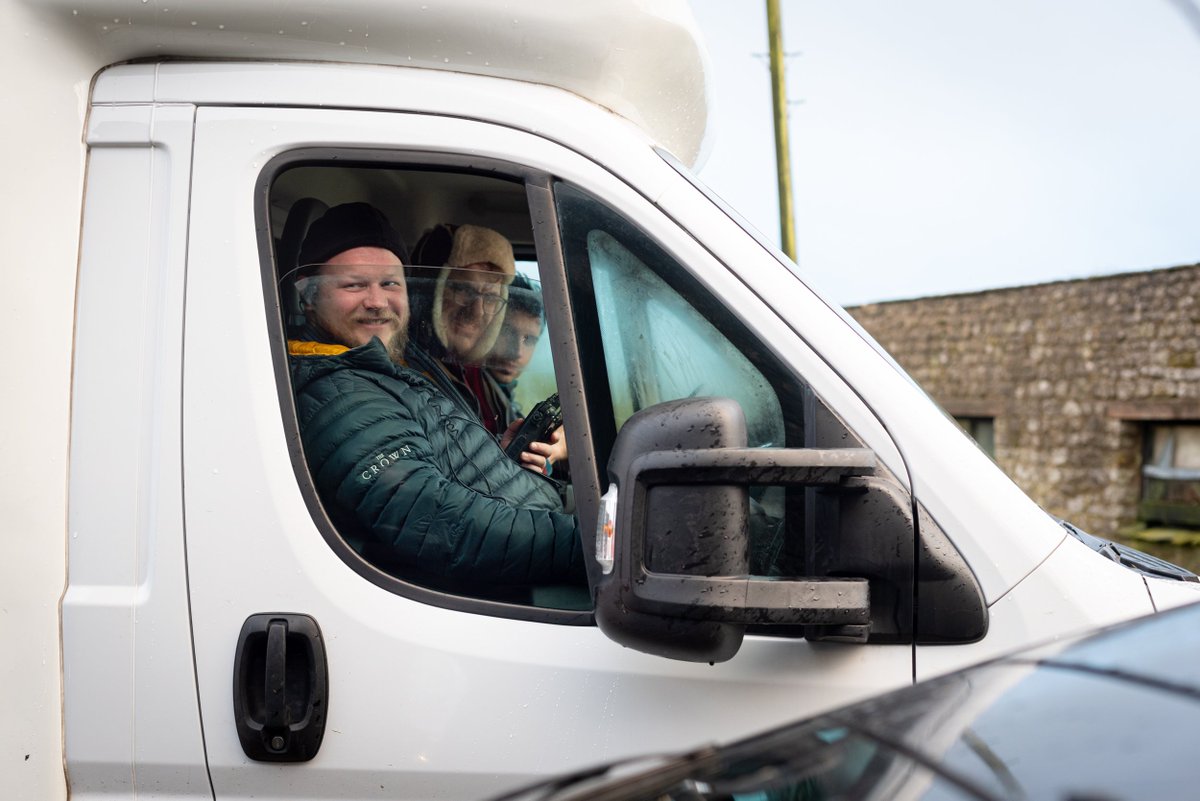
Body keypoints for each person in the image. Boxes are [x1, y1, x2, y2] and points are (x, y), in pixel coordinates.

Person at [284, 202, 583, 595]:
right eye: (354, 284)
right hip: (494, 591)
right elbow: (438, 521)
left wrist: (499, 457)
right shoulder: (335, 393)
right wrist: (588, 544)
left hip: (529, 534)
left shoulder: (389, 368)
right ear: (307, 295)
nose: (377, 301)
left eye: (391, 284)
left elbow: (443, 468)